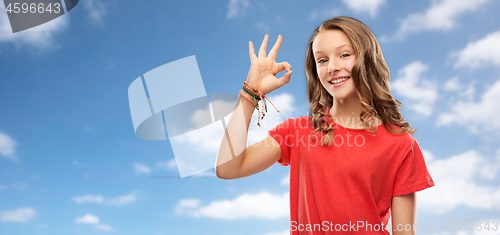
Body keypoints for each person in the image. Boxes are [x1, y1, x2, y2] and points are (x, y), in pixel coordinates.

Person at [215, 16, 434, 235]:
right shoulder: (297, 132)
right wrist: (251, 92)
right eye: (322, 60)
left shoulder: (401, 145)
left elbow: (404, 232)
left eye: (345, 55)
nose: (332, 67)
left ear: (367, 59)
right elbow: (227, 168)